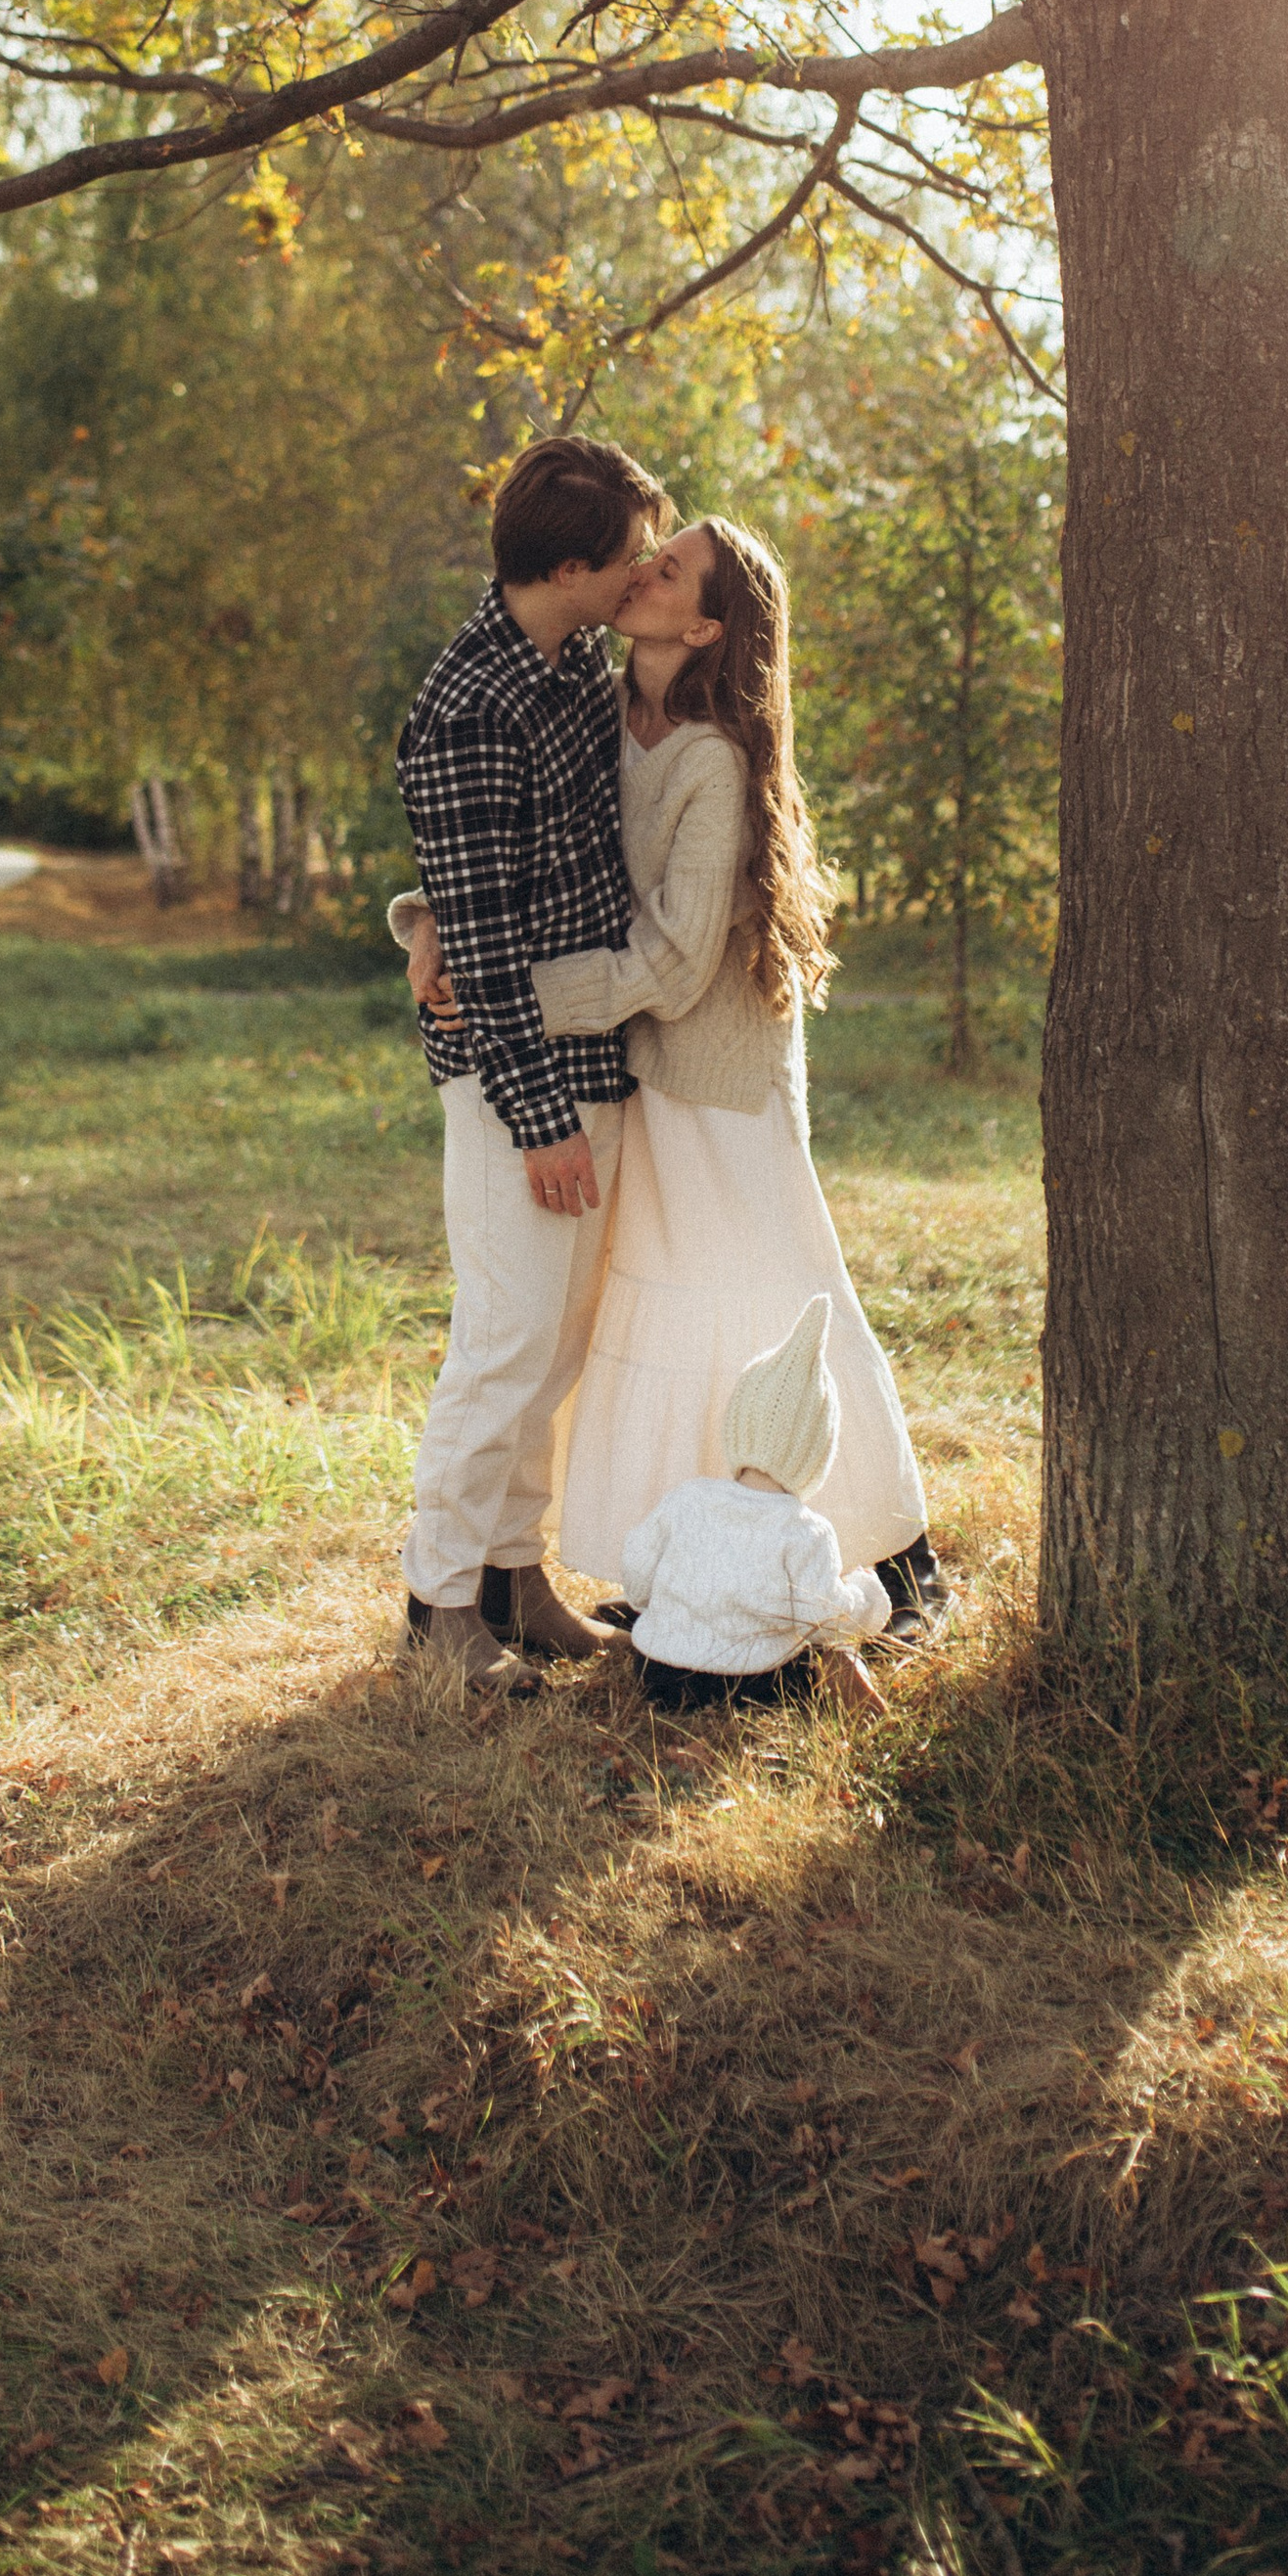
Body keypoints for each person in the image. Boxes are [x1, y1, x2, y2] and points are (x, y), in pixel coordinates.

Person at [407, 513, 941, 1631]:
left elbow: (677, 959)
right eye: (648, 554)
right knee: (657, 1310)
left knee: (779, 1295)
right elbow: (511, 843)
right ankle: (686, 1562)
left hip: (723, 1066)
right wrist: (425, 921)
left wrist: (502, 988)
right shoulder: (600, 703)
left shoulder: (712, 757)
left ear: (703, 623)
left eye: (671, 566)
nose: (643, 568)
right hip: (636, 1059)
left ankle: (894, 1557)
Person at [390, 431, 669, 1696]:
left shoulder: (575, 656)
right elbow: (487, 951)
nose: (644, 574)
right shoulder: (464, 708)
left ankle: (514, 1576)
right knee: (504, 1338)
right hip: (516, 1079)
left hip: (597, 1050)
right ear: (571, 566)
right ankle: (437, 1602)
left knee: (558, 1340)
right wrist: (540, 1116)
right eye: (629, 558)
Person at [619, 1296, 890, 1718]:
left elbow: (637, 1571)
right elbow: (824, 1613)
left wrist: (661, 1610)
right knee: (827, 1646)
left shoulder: (687, 1498)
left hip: (659, 1673)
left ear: (737, 1427)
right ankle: (863, 1707)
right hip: (752, 1684)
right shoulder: (805, 1530)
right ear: (816, 1454)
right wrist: (868, 1596)